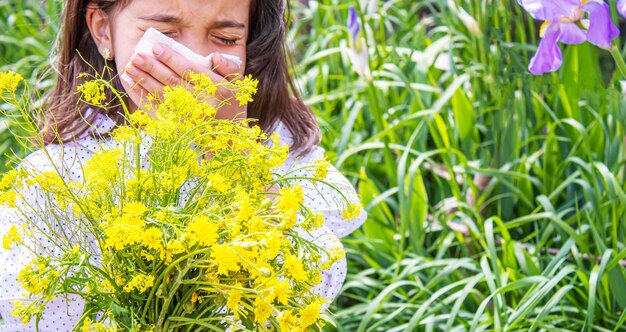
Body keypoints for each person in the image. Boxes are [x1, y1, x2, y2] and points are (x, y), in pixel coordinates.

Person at [0, 0, 366, 331]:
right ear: (102, 30)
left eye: (224, 38)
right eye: (166, 34)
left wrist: (230, 148)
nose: (196, 64)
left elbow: (316, 283)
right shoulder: (57, 178)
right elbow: (31, 313)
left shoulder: (271, 142)